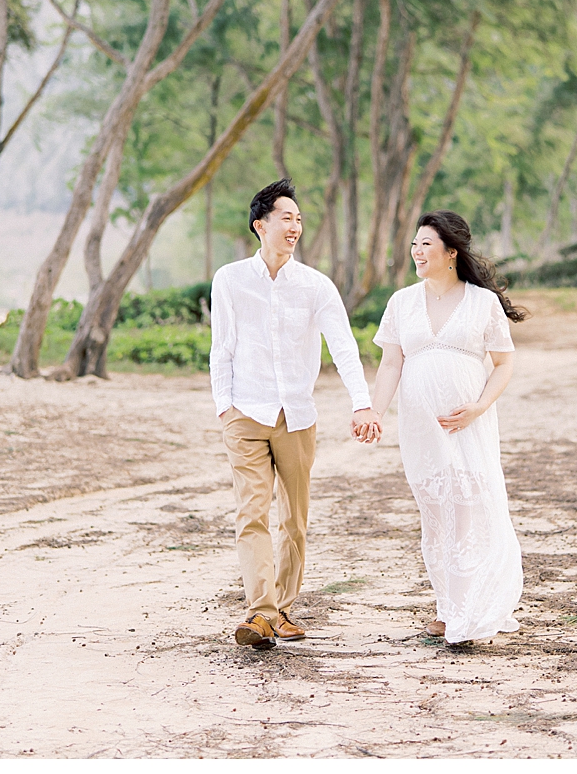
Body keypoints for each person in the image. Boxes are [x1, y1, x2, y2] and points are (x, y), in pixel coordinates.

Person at [209, 179, 378, 649]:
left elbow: (343, 347)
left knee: (294, 520)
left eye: (300, 219)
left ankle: (281, 607)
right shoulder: (230, 279)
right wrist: (224, 406)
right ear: (260, 224)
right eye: (287, 217)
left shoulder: (315, 286)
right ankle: (260, 613)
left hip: (297, 417)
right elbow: (220, 348)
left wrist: (361, 401)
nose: (295, 226)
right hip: (245, 411)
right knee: (252, 514)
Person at [356, 210, 528, 644]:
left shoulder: (481, 303)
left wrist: (479, 407)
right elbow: (391, 362)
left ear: (451, 252)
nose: (417, 251)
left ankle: (468, 613)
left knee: (469, 507)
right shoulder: (401, 302)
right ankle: (447, 607)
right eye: (414, 244)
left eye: (426, 244)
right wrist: (374, 410)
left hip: (468, 424)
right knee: (435, 516)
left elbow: (505, 364)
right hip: (419, 429)